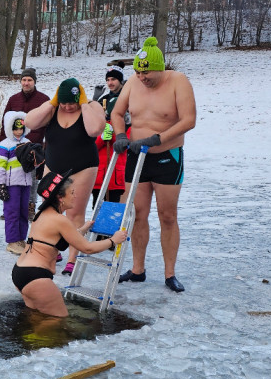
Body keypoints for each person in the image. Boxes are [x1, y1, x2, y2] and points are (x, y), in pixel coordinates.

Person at [110, 37, 196, 293]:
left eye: (146, 72)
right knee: (137, 214)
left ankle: (170, 273)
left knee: (167, 215)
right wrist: (121, 135)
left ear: (160, 68)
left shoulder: (178, 81)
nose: (141, 77)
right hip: (137, 156)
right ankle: (138, 269)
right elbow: (116, 112)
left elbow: (189, 120)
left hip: (167, 155)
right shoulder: (134, 83)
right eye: (137, 71)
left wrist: (157, 139)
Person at [22, 78, 107, 276]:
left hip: (83, 167)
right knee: (50, 212)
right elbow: (29, 122)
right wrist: (53, 103)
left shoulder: (91, 106)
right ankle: (52, 249)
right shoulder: (52, 109)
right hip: (53, 165)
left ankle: (73, 257)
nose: (68, 107)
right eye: (64, 102)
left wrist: (84, 103)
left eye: (72, 103)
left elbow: (95, 129)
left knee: (74, 213)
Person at [11, 172, 127, 317]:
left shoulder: (41, 214)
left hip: (20, 272)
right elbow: (87, 248)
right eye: (71, 193)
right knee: (58, 320)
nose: (75, 196)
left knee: (38, 317)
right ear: (60, 198)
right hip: (36, 277)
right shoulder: (60, 220)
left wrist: (83, 229)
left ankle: (28, 339)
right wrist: (113, 240)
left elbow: (56, 238)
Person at [1, 68, 50, 218]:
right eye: (24, 80)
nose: (26, 83)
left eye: (29, 80)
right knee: (12, 177)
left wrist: (45, 148)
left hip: (34, 146)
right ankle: (12, 207)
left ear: (34, 82)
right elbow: (5, 123)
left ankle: (30, 206)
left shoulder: (43, 100)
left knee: (32, 178)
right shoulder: (14, 99)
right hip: (14, 146)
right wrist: (2, 144)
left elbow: (48, 125)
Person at [0, 112, 36, 254]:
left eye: (21, 129)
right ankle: (12, 241)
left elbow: (32, 163)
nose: (19, 132)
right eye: (15, 129)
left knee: (23, 212)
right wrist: (1, 185)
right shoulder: (5, 145)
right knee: (12, 212)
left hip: (25, 183)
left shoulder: (27, 143)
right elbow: (0, 166)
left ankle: (21, 238)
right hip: (11, 184)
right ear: (9, 128)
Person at [92, 67, 129, 206]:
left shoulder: (128, 98)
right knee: (97, 206)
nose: (110, 82)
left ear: (120, 80)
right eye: (107, 80)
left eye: (113, 79)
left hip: (118, 167)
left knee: (116, 206)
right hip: (101, 166)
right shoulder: (104, 100)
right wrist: (94, 101)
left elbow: (128, 134)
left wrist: (115, 133)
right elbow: (92, 126)